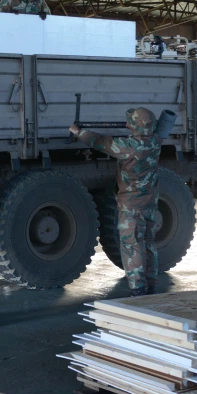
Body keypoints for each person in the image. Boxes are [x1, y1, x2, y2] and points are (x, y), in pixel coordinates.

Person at [69, 108, 162, 297]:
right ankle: (151, 284)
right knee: (147, 242)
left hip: (131, 206)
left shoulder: (129, 147)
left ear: (134, 126)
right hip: (150, 203)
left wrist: (78, 132)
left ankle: (138, 288)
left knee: (131, 245)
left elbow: (101, 143)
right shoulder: (155, 142)